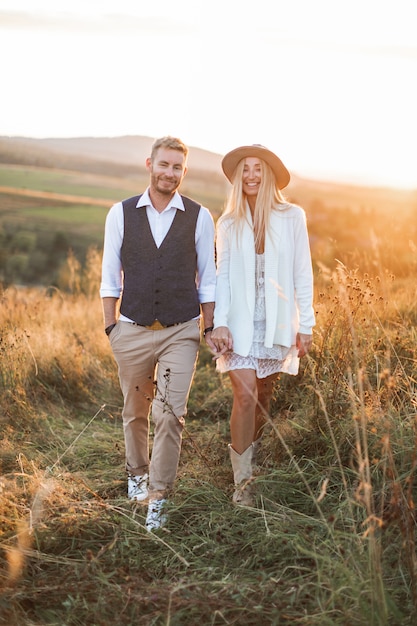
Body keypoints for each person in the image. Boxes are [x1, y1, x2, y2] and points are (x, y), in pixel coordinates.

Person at [100, 136, 216, 531]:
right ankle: (136, 473)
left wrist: (210, 325)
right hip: (130, 330)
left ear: (185, 172)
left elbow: (209, 279)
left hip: (180, 331)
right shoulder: (121, 212)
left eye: (177, 167)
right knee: (135, 412)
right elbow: (109, 274)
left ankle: (159, 496)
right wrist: (110, 326)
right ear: (149, 164)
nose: (170, 173)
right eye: (163, 165)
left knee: (169, 414)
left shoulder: (200, 216)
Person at [210, 144, 315, 506]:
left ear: (268, 175)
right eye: (245, 169)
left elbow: (303, 272)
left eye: (258, 169)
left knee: (263, 399)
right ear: (238, 177)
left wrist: (307, 325)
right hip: (239, 324)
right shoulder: (227, 222)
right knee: (245, 395)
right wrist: (218, 324)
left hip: (277, 323)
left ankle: (253, 463)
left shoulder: (292, 217)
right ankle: (242, 485)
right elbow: (222, 278)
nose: (251, 175)